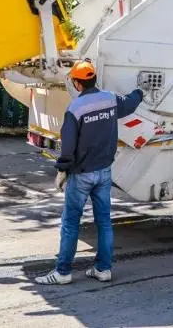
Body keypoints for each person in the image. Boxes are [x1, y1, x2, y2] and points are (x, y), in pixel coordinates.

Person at [36, 60, 143, 285]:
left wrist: (62, 169)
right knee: (104, 222)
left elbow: (68, 146)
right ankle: (103, 269)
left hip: (82, 174)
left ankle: (63, 272)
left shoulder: (75, 109)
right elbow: (131, 103)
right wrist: (140, 90)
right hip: (104, 172)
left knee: (71, 222)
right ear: (94, 79)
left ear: (76, 83)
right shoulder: (110, 99)